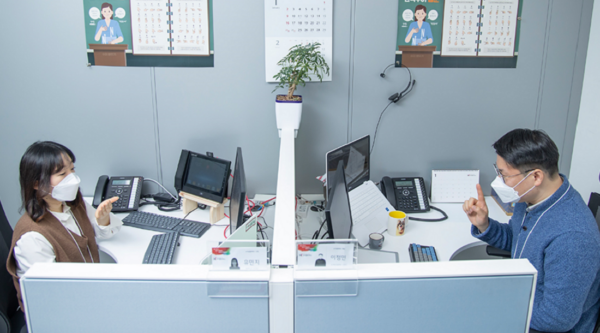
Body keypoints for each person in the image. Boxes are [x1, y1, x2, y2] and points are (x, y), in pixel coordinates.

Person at [463, 129, 600, 333]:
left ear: (536, 176)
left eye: (504, 175)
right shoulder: (530, 198)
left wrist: (498, 299)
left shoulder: (573, 237)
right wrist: (484, 224)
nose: (498, 180)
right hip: (524, 300)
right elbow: (519, 240)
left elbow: (556, 320)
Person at [6, 141, 123, 310]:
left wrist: (103, 219)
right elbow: (49, 297)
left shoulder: (73, 204)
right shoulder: (32, 237)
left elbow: (105, 232)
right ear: (37, 184)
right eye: (62, 173)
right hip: (64, 310)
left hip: (87, 294)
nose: (72, 178)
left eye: (72, 169)